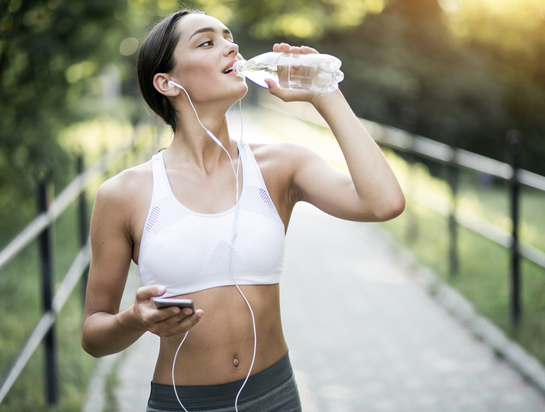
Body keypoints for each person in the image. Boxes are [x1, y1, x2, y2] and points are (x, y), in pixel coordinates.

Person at [81, 8, 405, 412]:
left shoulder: (281, 166)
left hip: (276, 398)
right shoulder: (123, 194)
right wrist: (135, 319)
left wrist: (325, 93)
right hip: (180, 404)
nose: (231, 46)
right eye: (207, 42)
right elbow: (94, 336)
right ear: (167, 82)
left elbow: (384, 202)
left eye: (228, 37)